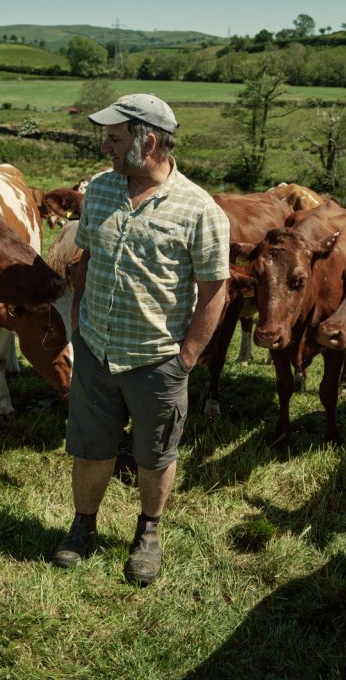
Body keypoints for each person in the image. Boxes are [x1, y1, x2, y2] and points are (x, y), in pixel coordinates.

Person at [53, 93, 230, 585]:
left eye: (114, 138)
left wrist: (187, 357)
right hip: (94, 348)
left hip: (157, 360)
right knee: (89, 446)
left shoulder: (200, 210)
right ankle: (82, 527)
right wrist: (78, 325)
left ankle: (148, 532)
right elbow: (85, 257)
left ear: (147, 141)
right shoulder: (103, 192)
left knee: (155, 453)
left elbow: (216, 291)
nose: (105, 147)